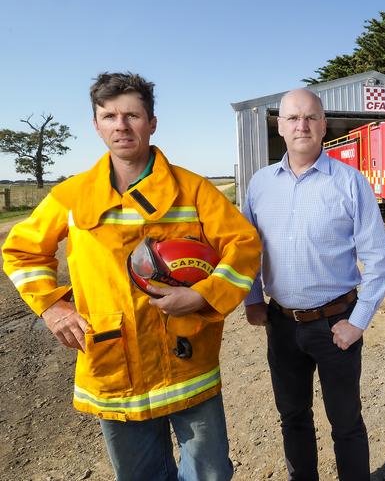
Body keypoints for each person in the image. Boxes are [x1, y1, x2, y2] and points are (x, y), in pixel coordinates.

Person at [2, 72, 261, 481]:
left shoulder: (192, 190)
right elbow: (21, 251)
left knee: (209, 474)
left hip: (186, 363)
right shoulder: (72, 196)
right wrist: (53, 308)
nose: (121, 126)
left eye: (132, 115)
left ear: (151, 123)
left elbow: (244, 247)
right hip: (112, 365)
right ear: (96, 125)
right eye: (109, 116)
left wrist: (202, 296)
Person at [242, 89, 385, 481]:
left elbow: (379, 258)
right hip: (282, 324)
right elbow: (246, 251)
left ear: (324, 126)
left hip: (335, 324)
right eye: (293, 118)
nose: (302, 125)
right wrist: (253, 300)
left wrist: (358, 321)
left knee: (345, 421)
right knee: (292, 418)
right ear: (280, 126)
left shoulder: (349, 182)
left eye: (310, 117)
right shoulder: (260, 185)